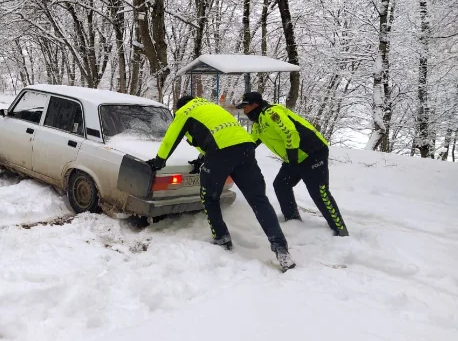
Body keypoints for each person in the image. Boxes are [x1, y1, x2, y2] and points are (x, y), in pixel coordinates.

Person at [147, 95, 296, 272]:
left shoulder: (185, 112)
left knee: (210, 197)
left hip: (221, 153)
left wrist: (159, 161)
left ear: (179, 107)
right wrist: (202, 159)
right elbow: (220, 134)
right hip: (246, 148)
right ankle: (281, 248)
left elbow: (170, 139)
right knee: (259, 200)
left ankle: (221, 238)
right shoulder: (212, 108)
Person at [236, 92, 349, 237]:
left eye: (245, 107)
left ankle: (340, 230)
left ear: (255, 105)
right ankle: (292, 219)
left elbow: (290, 132)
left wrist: (292, 157)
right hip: (295, 157)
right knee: (281, 184)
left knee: (319, 192)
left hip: (312, 153)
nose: (244, 111)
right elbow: (250, 143)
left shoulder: (272, 113)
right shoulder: (259, 123)